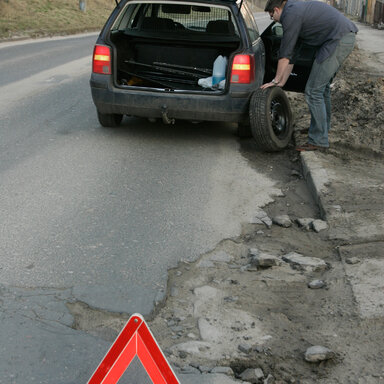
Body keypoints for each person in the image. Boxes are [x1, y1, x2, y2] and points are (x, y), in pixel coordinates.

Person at [261, 0, 358, 151]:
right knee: (322, 88)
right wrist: (281, 82)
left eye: (271, 15)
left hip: (338, 39)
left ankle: (318, 140)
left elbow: (284, 55)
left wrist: (274, 81)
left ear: (276, 10)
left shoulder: (290, 15)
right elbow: (293, 55)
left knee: (313, 91)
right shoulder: (295, 11)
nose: (272, 18)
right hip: (338, 37)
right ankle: (322, 129)